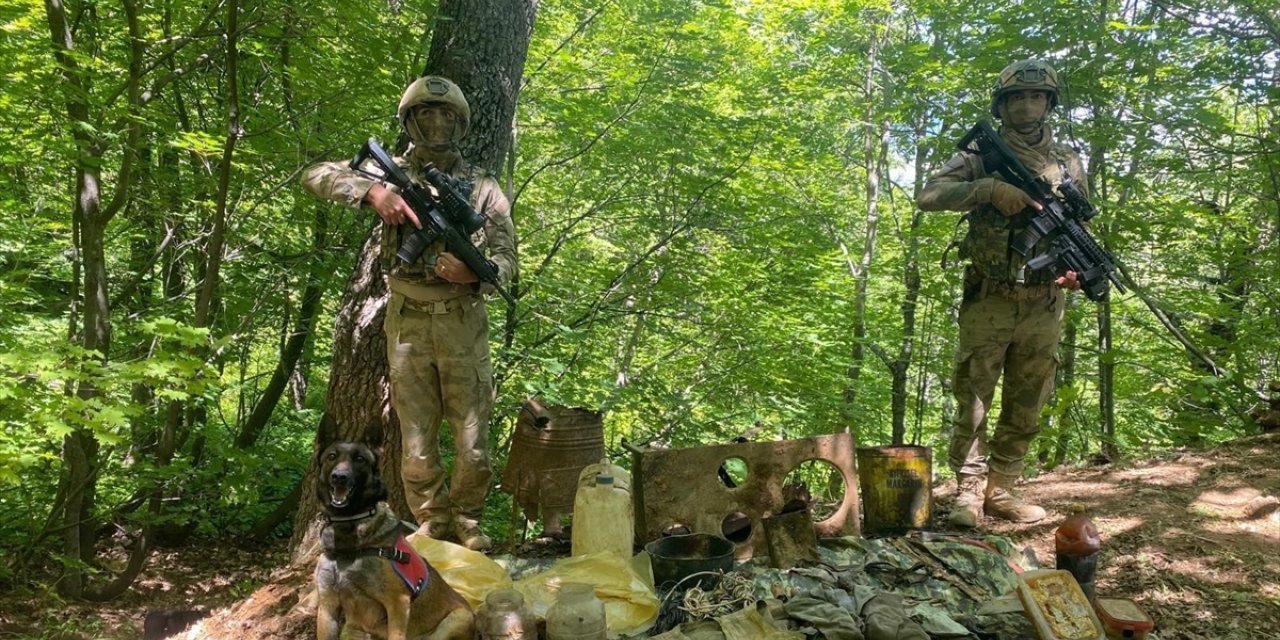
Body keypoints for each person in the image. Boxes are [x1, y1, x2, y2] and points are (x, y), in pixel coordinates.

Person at [302, 76, 518, 551]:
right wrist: (370, 194)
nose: (436, 124)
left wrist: (473, 274)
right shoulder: (386, 173)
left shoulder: (482, 187)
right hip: (408, 319)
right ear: (410, 121)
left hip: (463, 318)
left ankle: (468, 522)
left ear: (459, 124)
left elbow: (506, 258)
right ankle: (432, 523)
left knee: (472, 440)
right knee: (417, 440)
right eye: (425, 115)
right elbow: (316, 174)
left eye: (445, 116)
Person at [917, 60, 1085, 527]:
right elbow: (928, 195)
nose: (1028, 106)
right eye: (1017, 97)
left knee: (1028, 399)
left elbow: (1079, 225)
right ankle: (968, 493)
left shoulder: (1067, 162)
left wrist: (1073, 271)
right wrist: (987, 189)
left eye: (1037, 97)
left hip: (1043, 302)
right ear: (1002, 105)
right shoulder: (980, 157)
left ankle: (1003, 488)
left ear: (1049, 104)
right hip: (989, 297)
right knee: (973, 397)